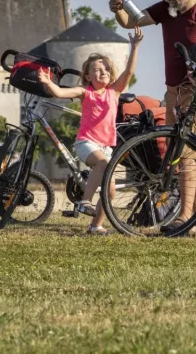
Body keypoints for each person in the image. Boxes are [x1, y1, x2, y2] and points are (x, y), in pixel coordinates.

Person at [109, 0, 196, 235]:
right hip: (172, 92)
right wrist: (118, 9)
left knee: (188, 156)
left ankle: (186, 217)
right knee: (185, 156)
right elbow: (132, 21)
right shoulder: (167, 9)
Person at [37, 26, 144, 235]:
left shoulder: (114, 92)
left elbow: (129, 71)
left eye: (105, 68)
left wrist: (135, 47)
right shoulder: (85, 93)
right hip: (86, 143)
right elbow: (60, 92)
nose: (102, 71)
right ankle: (84, 201)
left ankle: (95, 226)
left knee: (110, 191)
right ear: (87, 76)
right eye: (97, 69)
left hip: (107, 148)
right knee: (103, 164)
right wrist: (47, 82)